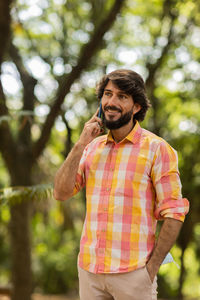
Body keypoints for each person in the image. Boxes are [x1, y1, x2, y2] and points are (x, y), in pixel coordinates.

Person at [53, 69, 189, 300]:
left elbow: (174, 213)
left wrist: (151, 269)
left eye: (122, 96)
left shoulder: (157, 149)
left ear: (137, 107)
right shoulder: (91, 148)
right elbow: (60, 192)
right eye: (107, 94)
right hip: (90, 272)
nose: (111, 102)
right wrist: (80, 143)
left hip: (134, 275)